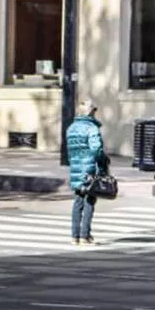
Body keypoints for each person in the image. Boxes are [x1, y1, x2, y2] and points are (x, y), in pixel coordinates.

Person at [66, 100, 106, 246]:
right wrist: (103, 163)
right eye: (94, 110)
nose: (95, 113)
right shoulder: (91, 128)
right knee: (89, 201)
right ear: (90, 112)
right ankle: (85, 235)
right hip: (90, 168)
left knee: (78, 201)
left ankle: (74, 236)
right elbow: (96, 150)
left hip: (76, 168)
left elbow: (70, 151)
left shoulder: (71, 128)